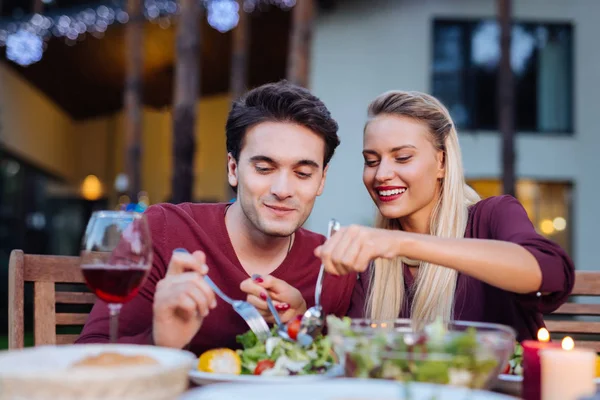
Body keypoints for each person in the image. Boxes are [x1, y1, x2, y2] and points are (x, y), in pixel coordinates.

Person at [76, 81, 357, 354]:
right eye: (263, 168)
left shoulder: (333, 269)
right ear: (233, 168)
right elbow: (89, 355)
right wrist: (160, 341)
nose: (282, 190)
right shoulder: (164, 230)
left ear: (321, 179)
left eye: (303, 174)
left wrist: (305, 330)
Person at [314, 90, 575, 341]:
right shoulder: (376, 264)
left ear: (442, 162)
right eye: (371, 161)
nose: (381, 174)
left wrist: (399, 243)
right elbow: (356, 352)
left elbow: (551, 273)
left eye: (402, 157)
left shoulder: (492, 216)